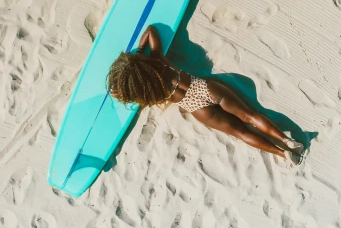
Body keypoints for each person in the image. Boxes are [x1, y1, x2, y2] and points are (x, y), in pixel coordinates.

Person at [107, 25, 305, 167]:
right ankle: (286, 140)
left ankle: (283, 153)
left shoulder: (150, 94)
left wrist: (128, 87)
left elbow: (131, 95)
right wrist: (140, 52)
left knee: (241, 132)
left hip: (197, 108)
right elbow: (151, 30)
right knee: (250, 116)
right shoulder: (158, 59)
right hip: (204, 88)